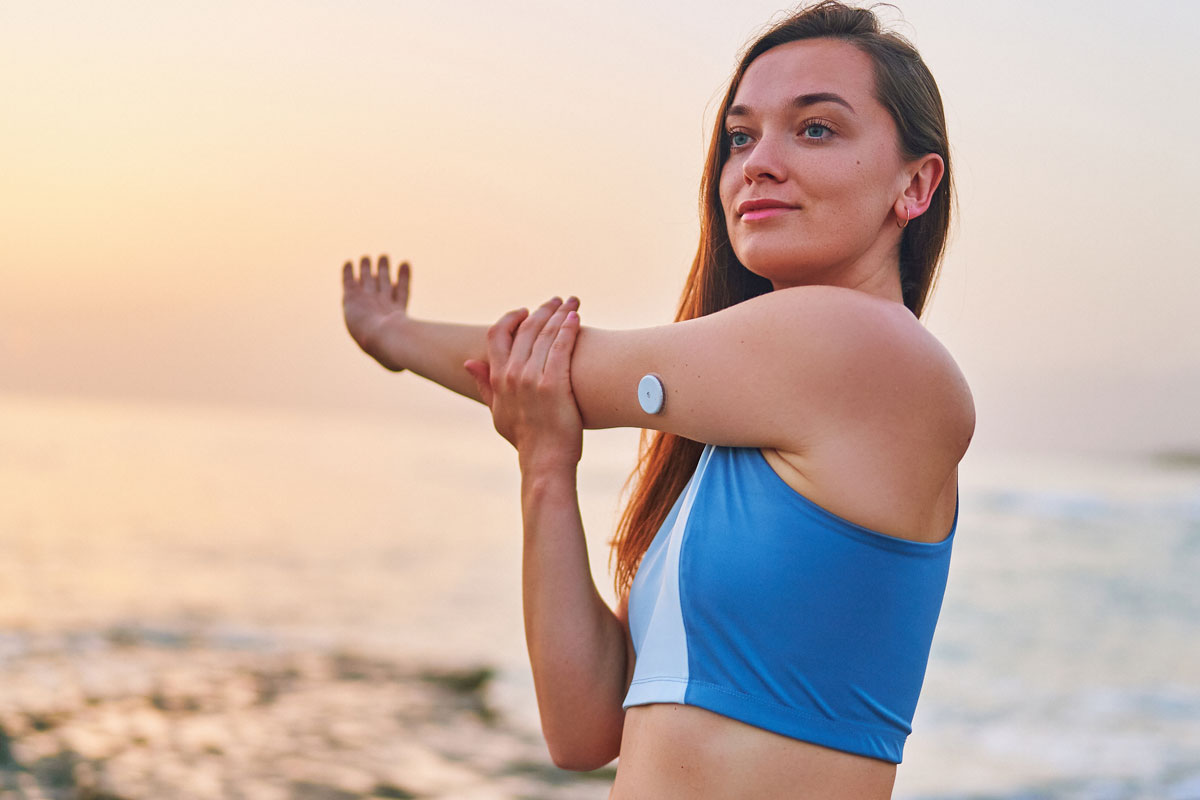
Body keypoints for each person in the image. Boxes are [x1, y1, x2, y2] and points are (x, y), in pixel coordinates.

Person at [340, 2, 973, 796]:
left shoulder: (868, 349)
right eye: (741, 137)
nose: (758, 163)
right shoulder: (742, 443)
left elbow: (564, 367)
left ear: (915, 184)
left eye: (814, 129)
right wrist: (545, 466)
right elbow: (582, 729)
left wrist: (392, 336)